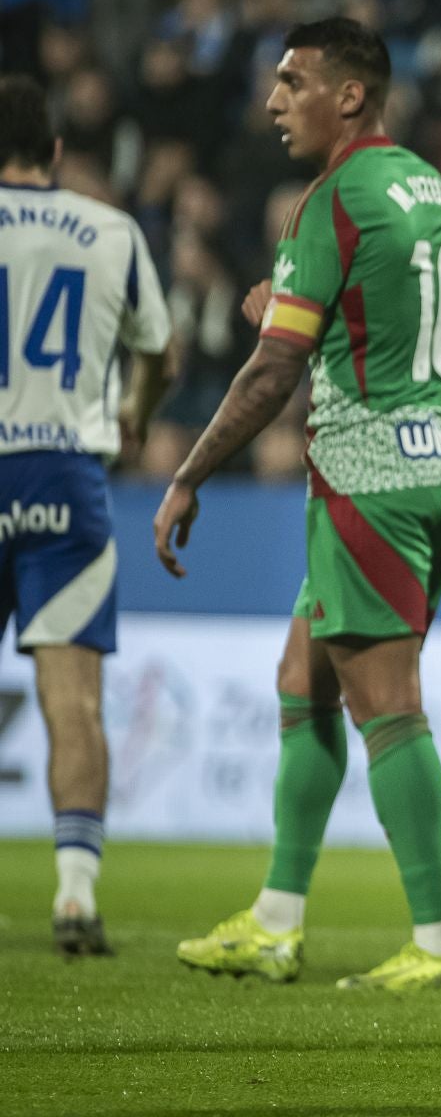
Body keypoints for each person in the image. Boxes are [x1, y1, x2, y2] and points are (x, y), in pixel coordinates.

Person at [162, 18, 441, 992]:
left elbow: (270, 377)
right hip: (434, 456)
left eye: (293, 80)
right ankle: (276, 919)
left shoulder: (332, 197)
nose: (273, 101)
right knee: (304, 679)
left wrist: (188, 471)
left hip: (367, 472)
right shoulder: (422, 183)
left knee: (389, 704)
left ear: (350, 95)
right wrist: (294, 316)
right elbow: (362, 315)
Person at [0, 74, 172, 955]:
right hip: (64, 473)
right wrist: (136, 411)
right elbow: (161, 349)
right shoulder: (110, 230)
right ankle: (74, 896)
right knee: (73, 699)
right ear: (56, 153)